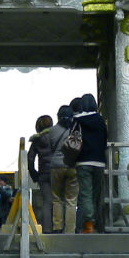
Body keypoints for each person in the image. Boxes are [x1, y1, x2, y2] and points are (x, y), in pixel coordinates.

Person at [71, 93, 108, 233]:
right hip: (99, 162)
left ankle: (89, 224)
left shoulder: (77, 121)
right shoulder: (100, 121)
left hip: (83, 161)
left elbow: (72, 140)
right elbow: (105, 139)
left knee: (85, 193)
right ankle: (99, 225)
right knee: (96, 194)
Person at [49, 105, 79, 233]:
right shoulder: (76, 130)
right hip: (72, 166)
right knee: (71, 200)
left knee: (57, 198)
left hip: (56, 166)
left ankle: (57, 227)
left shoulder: (52, 130)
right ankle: (70, 229)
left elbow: (51, 148)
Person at [27, 114, 55, 232]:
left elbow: (30, 159)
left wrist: (35, 176)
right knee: (59, 200)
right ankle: (60, 227)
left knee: (47, 202)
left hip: (43, 174)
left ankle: (47, 229)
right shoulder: (56, 137)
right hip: (57, 171)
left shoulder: (36, 141)